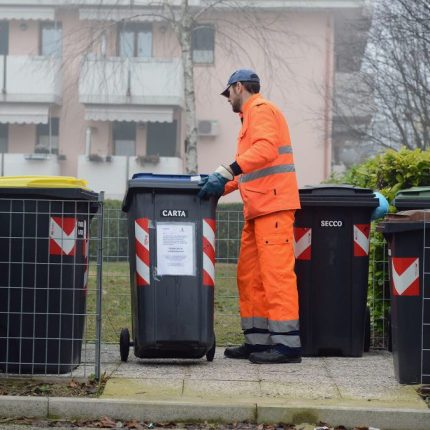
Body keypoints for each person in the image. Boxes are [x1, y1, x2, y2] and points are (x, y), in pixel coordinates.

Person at [198, 69, 301, 364]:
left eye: (228, 92)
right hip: (259, 211)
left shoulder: (260, 110)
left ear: (239, 87)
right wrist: (218, 187)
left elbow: (266, 151)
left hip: (274, 209)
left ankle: (286, 346)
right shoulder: (249, 120)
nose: (227, 99)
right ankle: (257, 341)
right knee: (250, 277)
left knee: (276, 276)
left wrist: (226, 170)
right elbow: (250, 170)